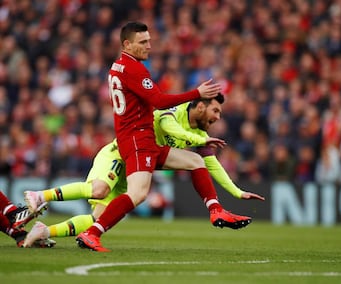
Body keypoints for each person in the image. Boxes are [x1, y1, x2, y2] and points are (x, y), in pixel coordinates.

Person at [74, 21, 250, 252]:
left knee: (195, 161)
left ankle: (216, 209)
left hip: (143, 139)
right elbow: (158, 101)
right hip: (138, 140)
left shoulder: (118, 66)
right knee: (137, 193)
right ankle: (92, 233)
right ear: (127, 44)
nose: (149, 46)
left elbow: (204, 155)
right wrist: (195, 93)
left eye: (149, 41)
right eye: (143, 42)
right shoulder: (134, 69)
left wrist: (236, 191)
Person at [22, 94, 265, 247]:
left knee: (99, 218)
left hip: (139, 165)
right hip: (119, 153)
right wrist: (197, 140)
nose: (218, 117)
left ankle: (44, 230)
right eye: (215, 111)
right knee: (99, 189)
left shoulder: (199, 135)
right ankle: (41, 195)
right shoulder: (175, 112)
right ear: (200, 106)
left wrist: (236, 191)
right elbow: (169, 129)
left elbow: (209, 163)